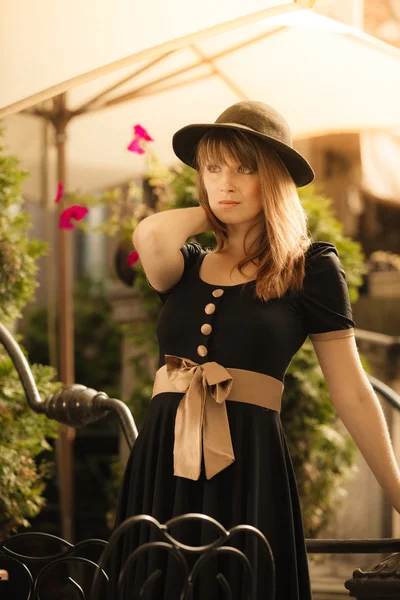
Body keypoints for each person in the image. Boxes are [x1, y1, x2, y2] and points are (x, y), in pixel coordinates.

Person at [110, 101, 400, 599]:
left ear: (275, 178)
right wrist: (219, 206)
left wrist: (399, 497)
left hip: (249, 463)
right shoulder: (183, 265)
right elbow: (151, 233)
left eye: (246, 169)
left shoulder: (310, 268)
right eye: (214, 168)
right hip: (163, 459)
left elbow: (352, 393)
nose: (226, 182)